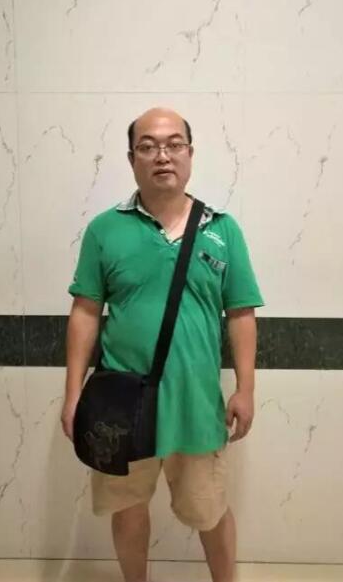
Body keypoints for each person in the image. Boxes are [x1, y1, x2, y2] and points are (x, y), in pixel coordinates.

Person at [61, 107, 264, 582]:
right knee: (128, 509)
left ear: (190, 153)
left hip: (197, 404)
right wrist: (73, 395)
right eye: (148, 146)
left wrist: (246, 389)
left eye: (174, 144)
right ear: (131, 158)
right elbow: (85, 312)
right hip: (121, 404)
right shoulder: (105, 230)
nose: (162, 155)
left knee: (210, 511)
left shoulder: (222, 229)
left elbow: (241, 314)